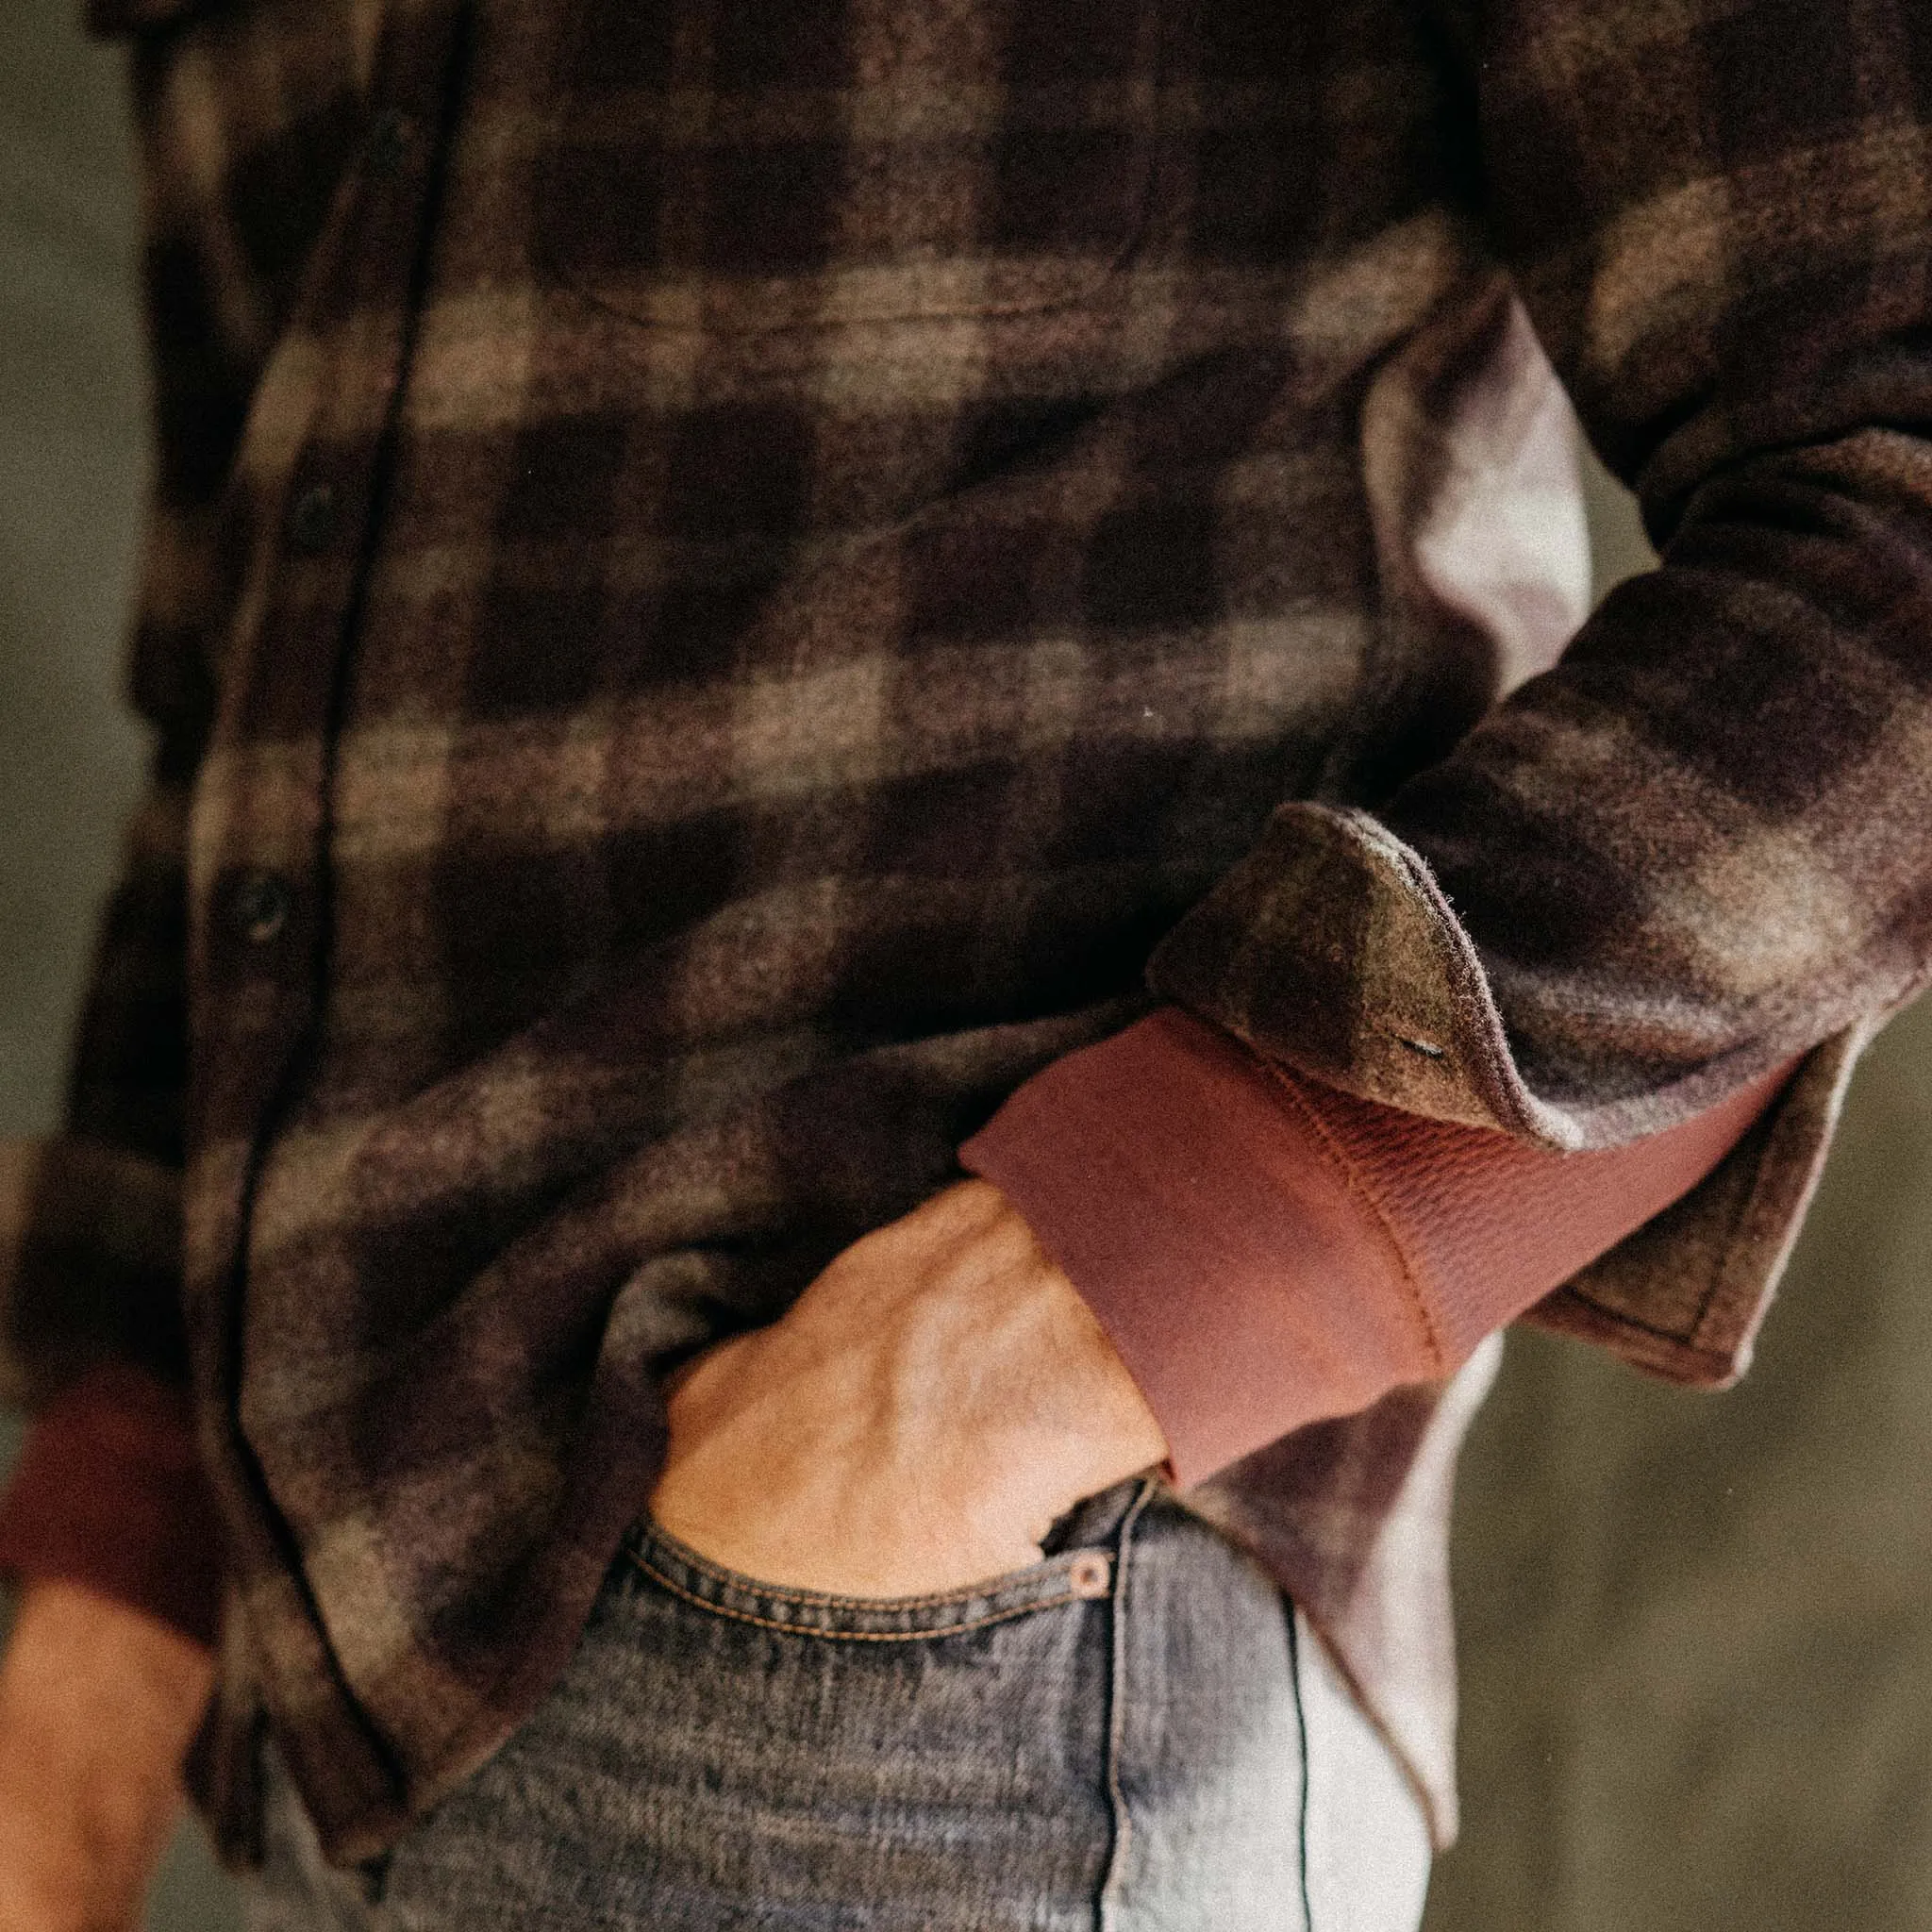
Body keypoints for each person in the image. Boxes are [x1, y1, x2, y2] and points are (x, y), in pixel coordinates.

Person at [0, 0, 1925, 1923]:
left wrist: (1059, 1329)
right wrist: (100, 1623)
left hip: (924, 1686)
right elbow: (255, 703)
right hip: (316, 1728)